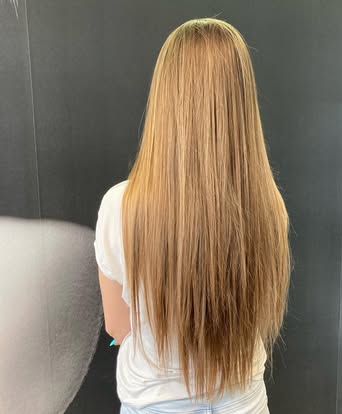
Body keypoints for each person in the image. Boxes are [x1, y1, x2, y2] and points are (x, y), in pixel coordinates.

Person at [94, 17, 292, 414]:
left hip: (155, 404)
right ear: (242, 102)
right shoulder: (269, 204)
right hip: (245, 402)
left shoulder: (121, 206)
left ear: (166, 99)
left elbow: (117, 326)